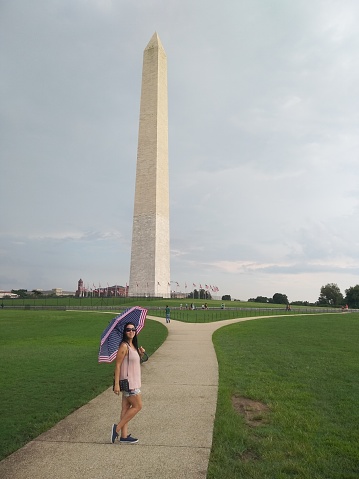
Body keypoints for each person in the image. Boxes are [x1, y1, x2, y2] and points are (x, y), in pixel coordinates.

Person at [111, 322, 146, 444]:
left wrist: (140, 354)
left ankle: (124, 436)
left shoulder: (133, 346)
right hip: (129, 383)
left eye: (133, 329)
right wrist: (116, 384)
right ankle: (117, 428)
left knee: (125, 408)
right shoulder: (124, 346)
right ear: (124, 332)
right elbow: (118, 365)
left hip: (134, 380)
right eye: (128, 330)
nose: (131, 331)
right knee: (138, 406)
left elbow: (134, 363)